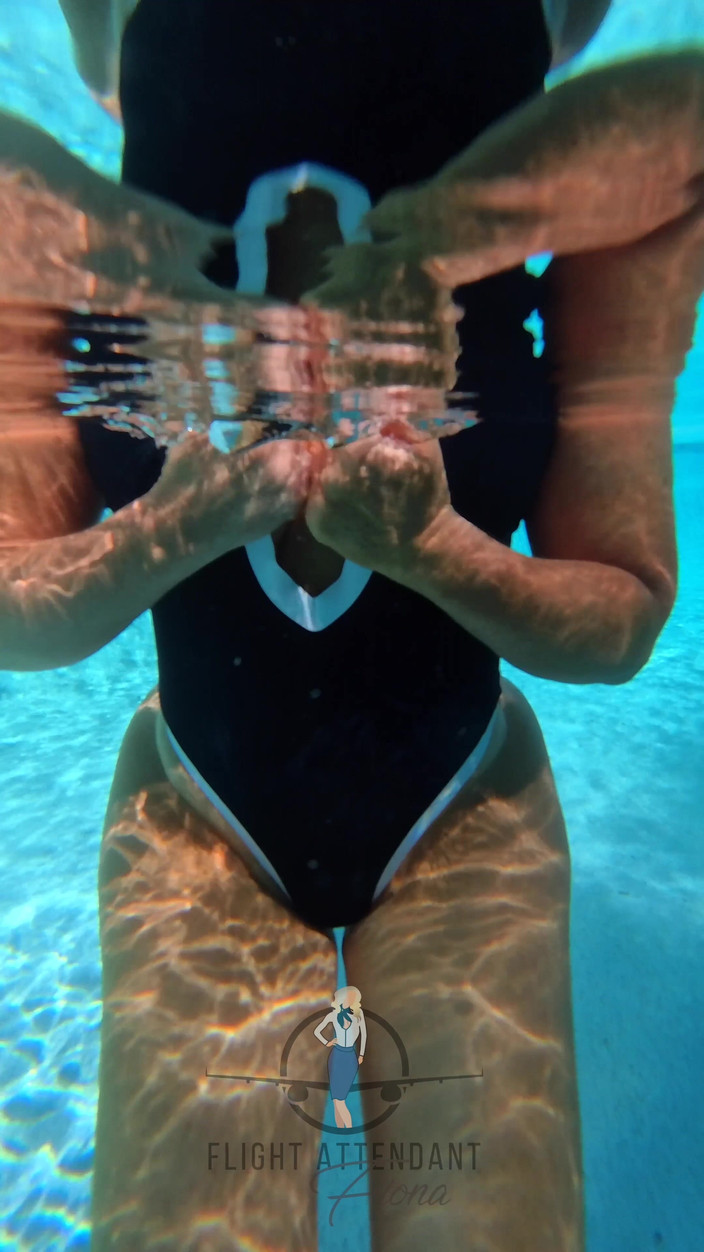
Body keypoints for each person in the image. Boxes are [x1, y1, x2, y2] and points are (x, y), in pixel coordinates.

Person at [1, 1, 701, 1249]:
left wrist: (430, 548)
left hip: (461, 806)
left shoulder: (625, 195)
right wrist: (169, 534)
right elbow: (15, 605)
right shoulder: (46, 231)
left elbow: (623, 610)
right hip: (198, 812)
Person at [314, 985, 367, 1130]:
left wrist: (361, 1054)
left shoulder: (358, 1014)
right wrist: (327, 1042)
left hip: (349, 1056)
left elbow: (364, 1035)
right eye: (348, 996)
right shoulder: (333, 1015)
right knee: (336, 1099)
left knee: (340, 1099)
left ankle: (349, 1130)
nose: (350, 999)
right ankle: (342, 1131)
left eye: (352, 997)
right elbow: (317, 1031)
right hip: (336, 1055)